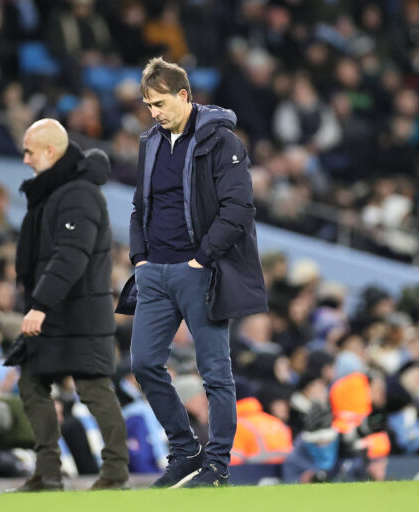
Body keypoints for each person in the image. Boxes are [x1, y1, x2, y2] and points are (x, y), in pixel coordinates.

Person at [117, 57, 267, 488]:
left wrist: (201, 259)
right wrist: (139, 259)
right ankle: (185, 450)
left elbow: (239, 209)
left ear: (184, 95)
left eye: (160, 103)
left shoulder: (222, 142)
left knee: (215, 373)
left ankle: (217, 466)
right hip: (155, 273)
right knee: (144, 363)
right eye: (148, 105)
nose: (154, 113)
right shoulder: (149, 142)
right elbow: (139, 207)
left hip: (198, 272)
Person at [13, 118, 129, 491]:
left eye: (30, 151)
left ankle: (115, 473)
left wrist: (40, 304)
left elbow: (70, 256)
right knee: (32, 383)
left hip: (78, 312)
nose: (26, 160)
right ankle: (47, 472)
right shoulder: (56, 191)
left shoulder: (78, 193)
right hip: (59, 311)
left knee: (93, 388)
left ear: (50, 151)